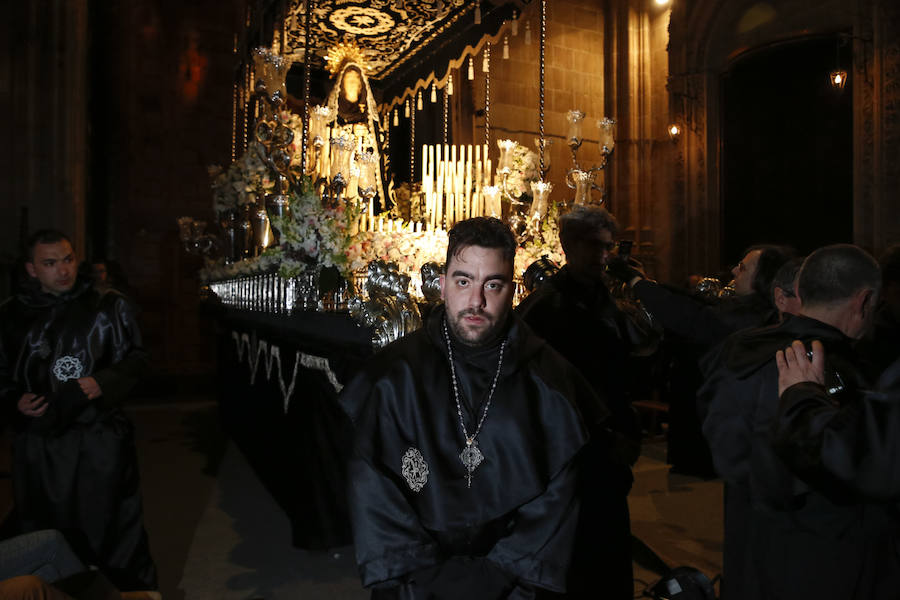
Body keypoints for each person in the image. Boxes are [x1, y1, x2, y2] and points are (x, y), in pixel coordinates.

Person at [339, 217, 601, 599]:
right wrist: (427, 579)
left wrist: (496, 578)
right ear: (442, 286)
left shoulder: (551, 383)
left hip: (514, 588)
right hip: (414, 584)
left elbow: (557, 501)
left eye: (492, 285)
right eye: (463, 281)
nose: (476, 301)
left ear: (512, 290)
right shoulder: (392, 378)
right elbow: (373, 489)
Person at [698, 244, 881, 600]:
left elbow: (726, 445)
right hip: (825, 559)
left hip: (749, 539)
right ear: (863, 301)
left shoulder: (742, 349)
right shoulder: (838, 367)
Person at [0, 230, 157, 591]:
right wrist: (13, 399)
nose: (63, 271)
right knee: (45, 529)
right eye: (50, 263)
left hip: (98, 438)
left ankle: (125, 594)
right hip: (40, 445)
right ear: (32, 269)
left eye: (68, 259)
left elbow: (138, 358)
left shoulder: (108, 305)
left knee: (111, 527)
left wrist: (106, 380)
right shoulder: (9, 315)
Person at [516, 207, 649, 599]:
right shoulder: (544, 307)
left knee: (607, 548)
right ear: (568, 246)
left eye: (608, 247)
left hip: (608, 443)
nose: (604, 256)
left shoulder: (607, 299)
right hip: (567, 448)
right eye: (594, 247)